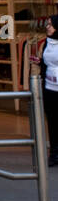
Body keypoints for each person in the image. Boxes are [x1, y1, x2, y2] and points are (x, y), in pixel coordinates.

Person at [29, 15, 58, 167]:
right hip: (50, 88)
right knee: (52, 122)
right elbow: (40, 61)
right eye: (47, 24)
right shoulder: (45, 43)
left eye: (51, 25)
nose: (47, 27)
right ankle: (54, 152)